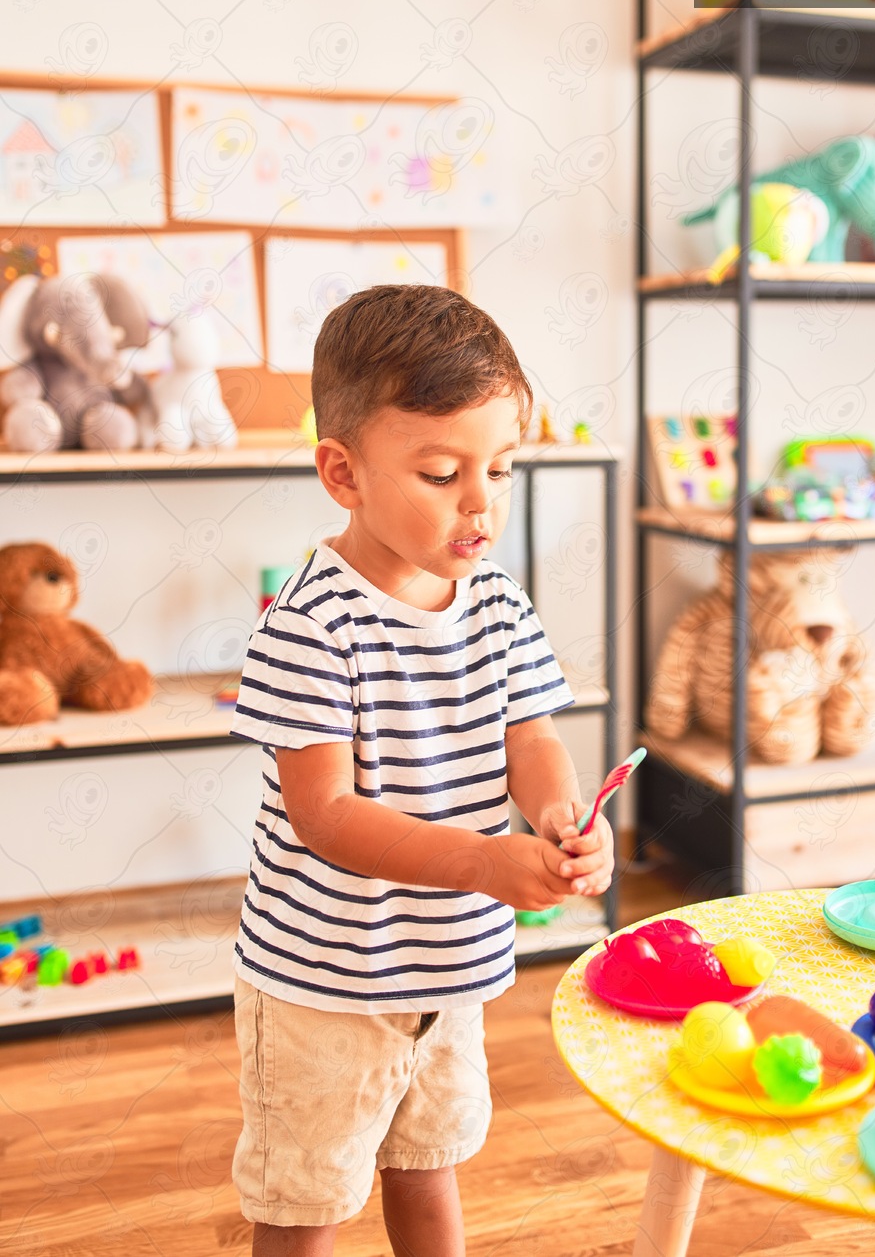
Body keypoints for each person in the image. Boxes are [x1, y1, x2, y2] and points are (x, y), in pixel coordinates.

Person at [230, 283, 615, 1257]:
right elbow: (324, 814)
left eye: (501, 465)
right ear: (343, 472)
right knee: (305, 1204)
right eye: (443, 471)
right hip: (323, 982)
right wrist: (487, 864)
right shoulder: (310, 626)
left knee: (429, 1164)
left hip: (447, 969)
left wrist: (560, 813)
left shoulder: (493, 598)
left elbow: (528, 736)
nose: (480, 499)